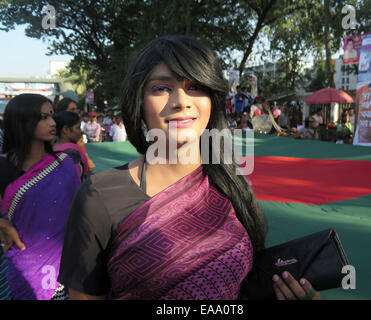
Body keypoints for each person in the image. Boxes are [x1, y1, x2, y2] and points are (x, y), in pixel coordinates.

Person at [58, 35, 320, 300]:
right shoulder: (99, 196)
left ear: (212, 100)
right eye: (162, 88)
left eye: (195, 86)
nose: (181, 101)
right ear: (138, 101)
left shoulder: (231, 184)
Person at [0, 94, 81, 300]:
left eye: (52, 116)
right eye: (44, 117)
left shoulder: (64, 164)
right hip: (24, 266)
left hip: (67, 263)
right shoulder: (2, 168)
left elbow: (81, 212)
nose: (53, 122)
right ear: (22, 121)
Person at [53, 111, 89, 181]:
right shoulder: (71, 154)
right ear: (66, 130)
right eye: (78, 128)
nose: (81, 131)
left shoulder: (52, 147)